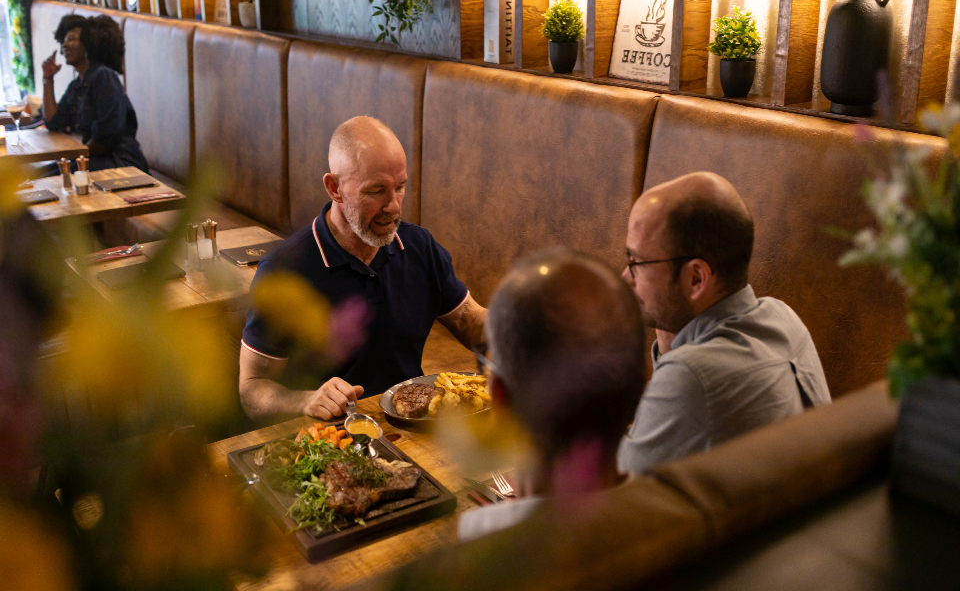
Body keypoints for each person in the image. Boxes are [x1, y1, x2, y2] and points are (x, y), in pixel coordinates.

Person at [239, 116, 486, 422]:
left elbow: (469, 321)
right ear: (335, 188)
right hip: (329, 435)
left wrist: (522, 328)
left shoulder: (419, 246)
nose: (394, 206)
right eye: (376, 191)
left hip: (410, 426)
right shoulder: (283, 271)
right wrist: (306, 400)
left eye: (400, 187)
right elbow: (252, 391)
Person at [617, 172, 831, 475]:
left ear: (696, 278)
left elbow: (612, 490)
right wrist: (670, 340)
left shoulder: (692, 378)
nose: (626, 277)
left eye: (636, 262)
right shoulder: (783, 318)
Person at [458, 247, 646, 541]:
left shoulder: (478, 545)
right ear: (642, 386)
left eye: (487, 362)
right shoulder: (683, 520)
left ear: (500, 399)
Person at [41, 14, 148, 173]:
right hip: (93, 159)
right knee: (37, 174)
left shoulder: (104, 77)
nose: (65, 44)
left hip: (120, 163)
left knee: (49, 177)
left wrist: (76, 157)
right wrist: (47, 79)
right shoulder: (77, 86)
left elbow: (104, 138)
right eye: (64, 40)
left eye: (71, 39)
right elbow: (53, 121)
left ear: (88, 44)